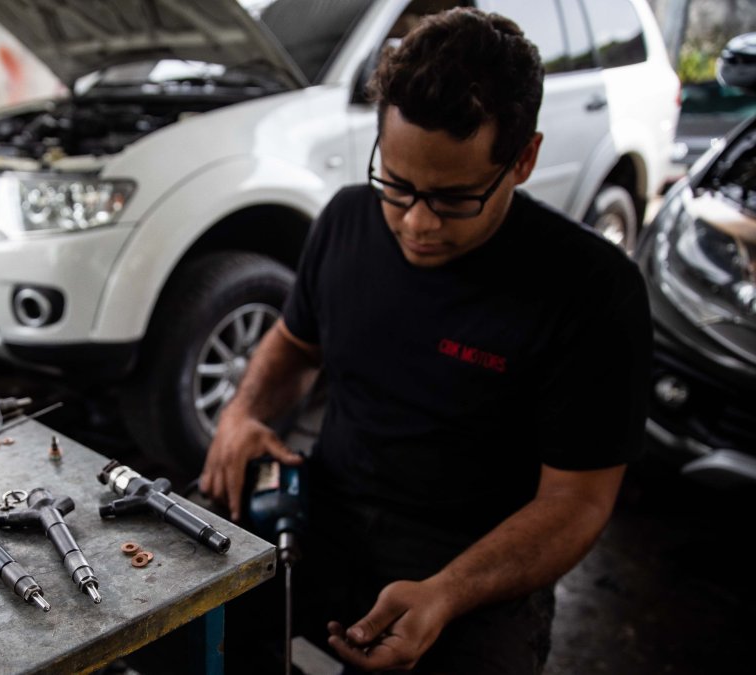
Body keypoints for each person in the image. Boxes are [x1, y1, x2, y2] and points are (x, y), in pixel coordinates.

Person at [199, 7, 650, 674]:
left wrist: (447, 592)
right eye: (397, 184)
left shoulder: (592, 290)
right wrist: (243, 414)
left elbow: (577, 501)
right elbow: (294, 344)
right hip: (327, 509)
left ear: (523, 159)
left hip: (474, 562)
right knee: (187, 618)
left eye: (453, 199)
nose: (415, 223)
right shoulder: (347, 220)